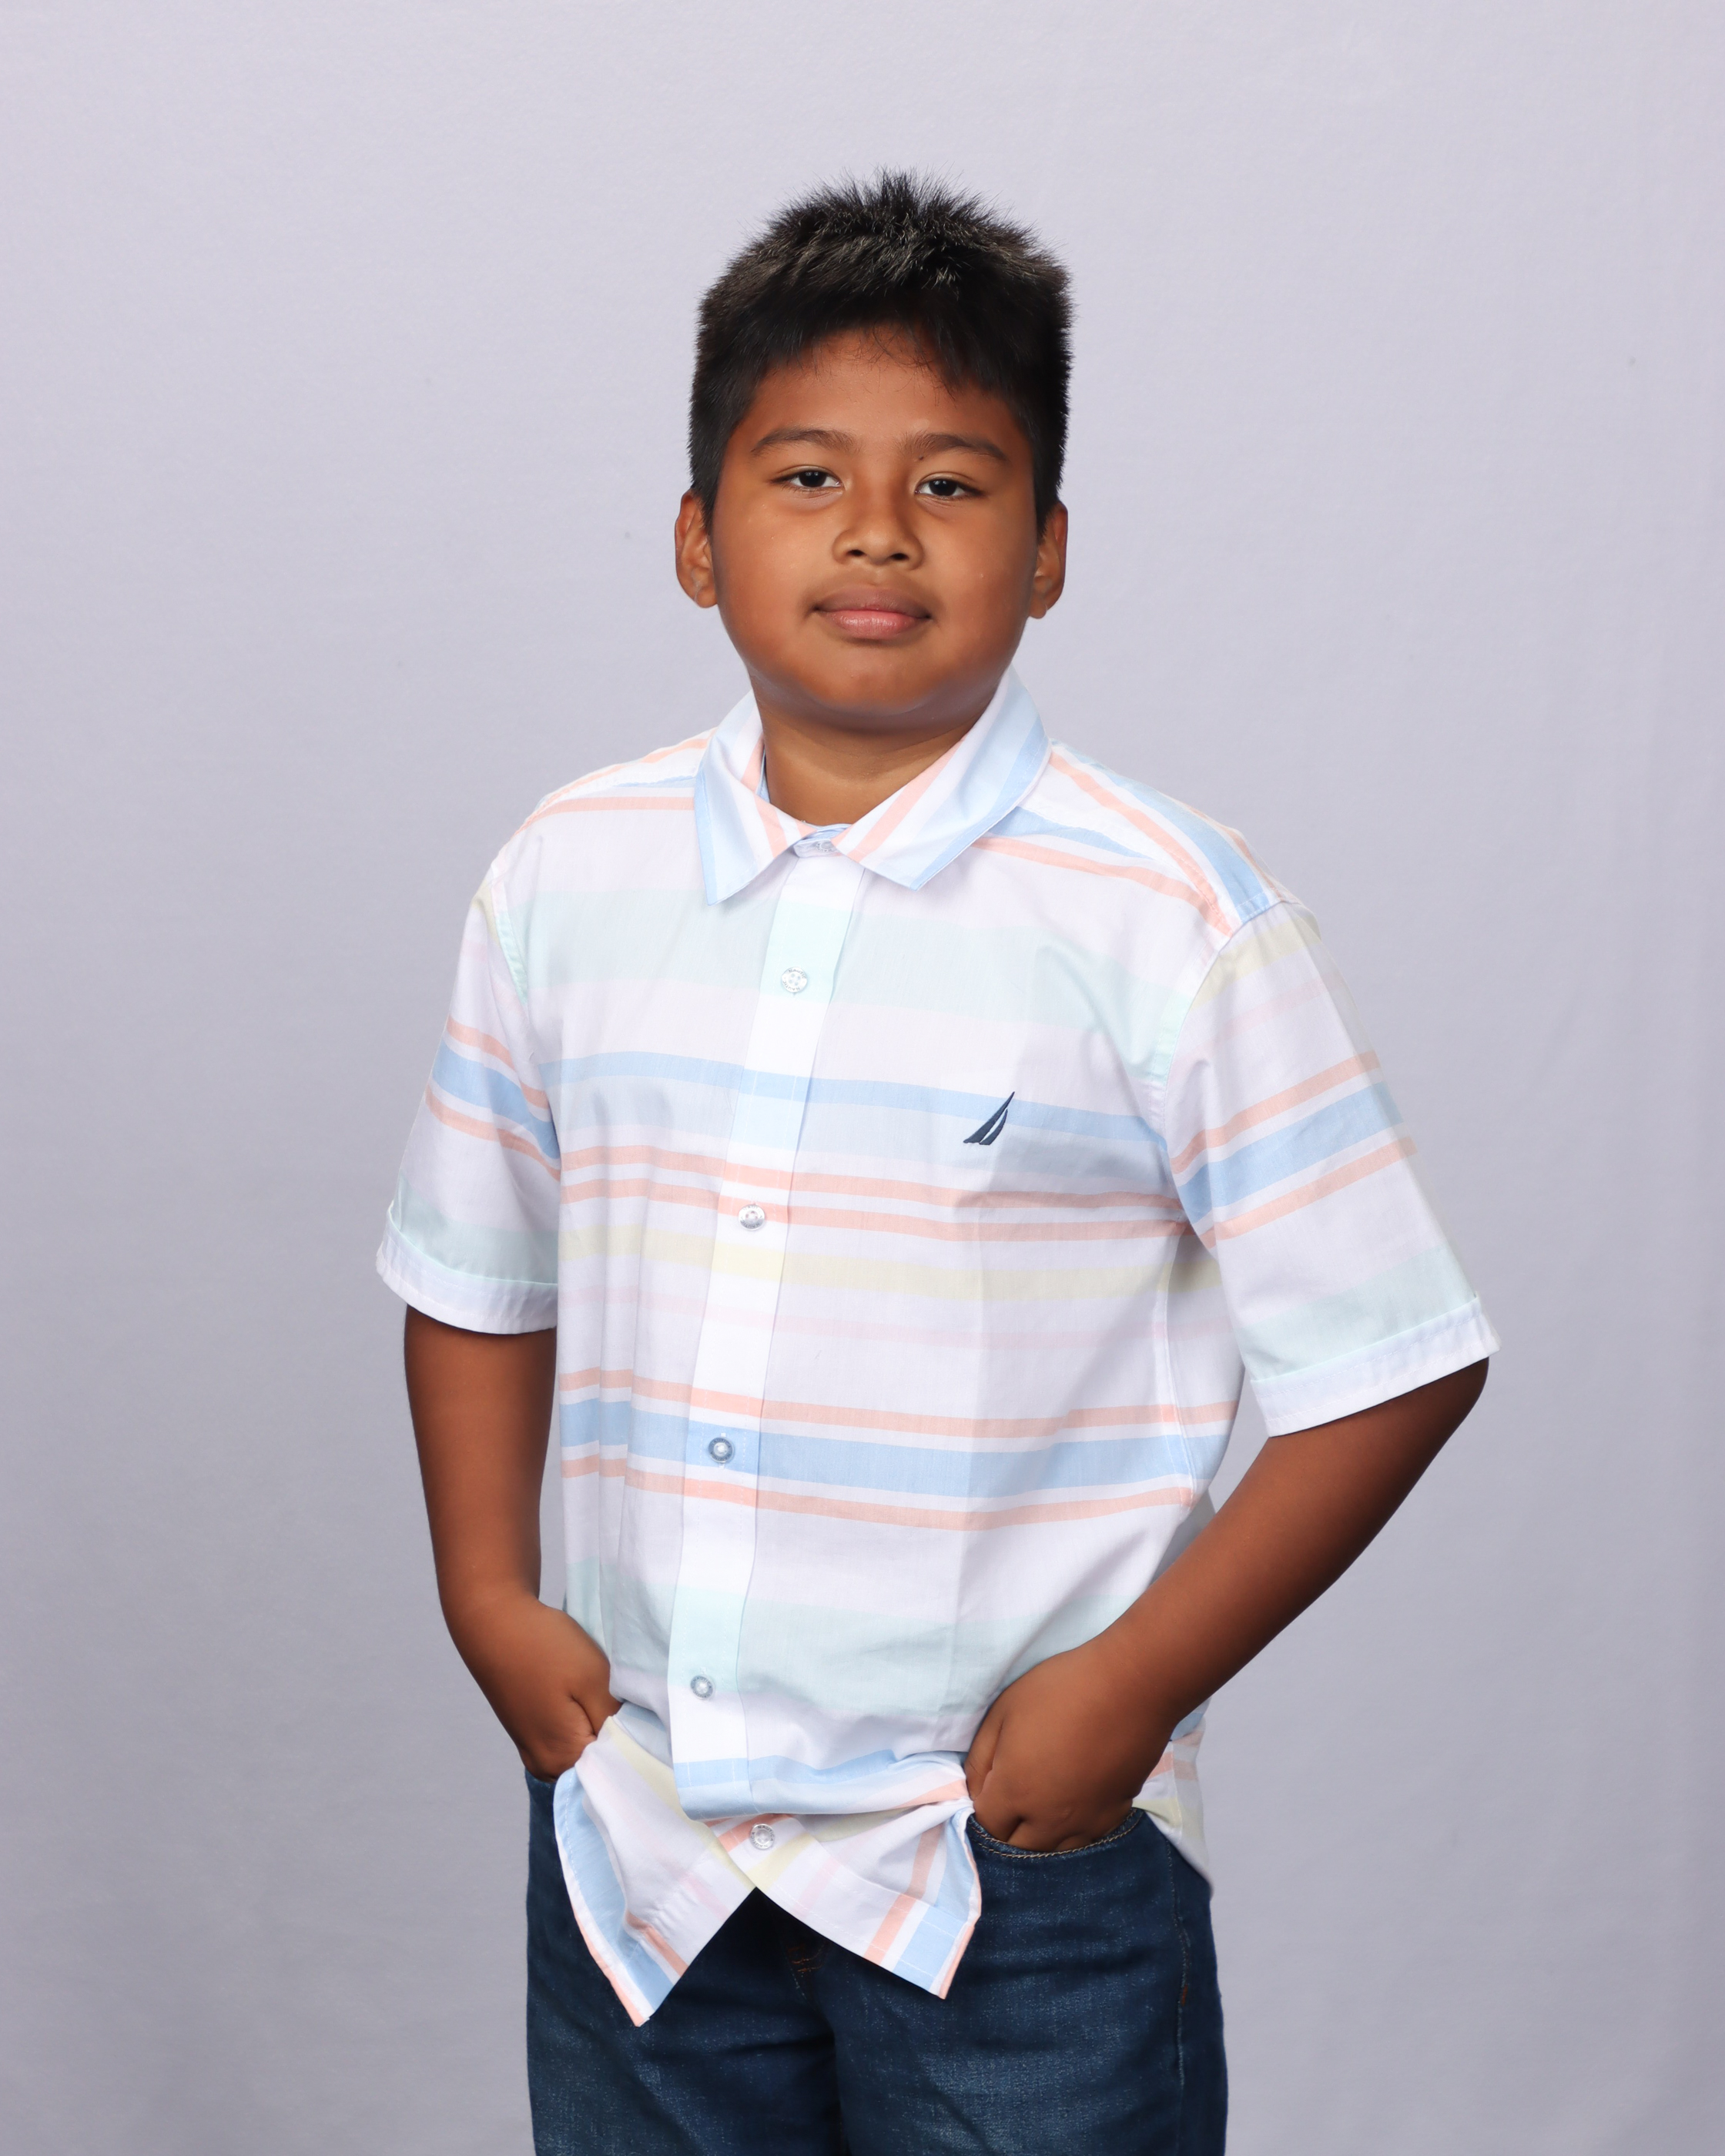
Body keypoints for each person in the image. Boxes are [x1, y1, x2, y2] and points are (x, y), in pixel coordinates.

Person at [380, 172, 1496, 2155]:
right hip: (643, 1847)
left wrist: (1130, 1688)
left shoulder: (1170, 916)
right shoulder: (567, 875)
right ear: (695, 537)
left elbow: (1396, 1359)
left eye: (954, 485)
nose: (877, 530)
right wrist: (485, 1589)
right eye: (807, 474)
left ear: (1048, 550)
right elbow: (477, 1271)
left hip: (1006, 1861)